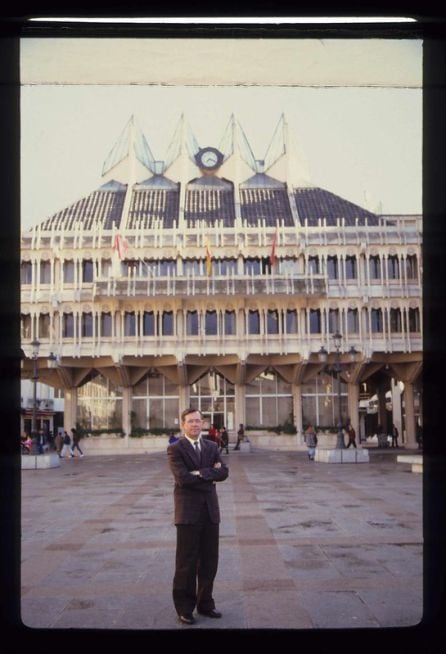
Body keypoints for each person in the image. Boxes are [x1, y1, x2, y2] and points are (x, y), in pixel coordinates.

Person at [167, 408, 229, 625]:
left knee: (210, 561)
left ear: (203, 423)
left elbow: (224, 472)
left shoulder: (212, 446)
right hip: (187, 513)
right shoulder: (175, 449)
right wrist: (209, 474)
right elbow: (183, 479)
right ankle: (184, 608)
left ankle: (206, 604)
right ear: (183, 425)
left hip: (210, 512)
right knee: (186, 563)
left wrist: (201, 473)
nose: (195, 424)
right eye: (190, 421)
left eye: (198, 421)